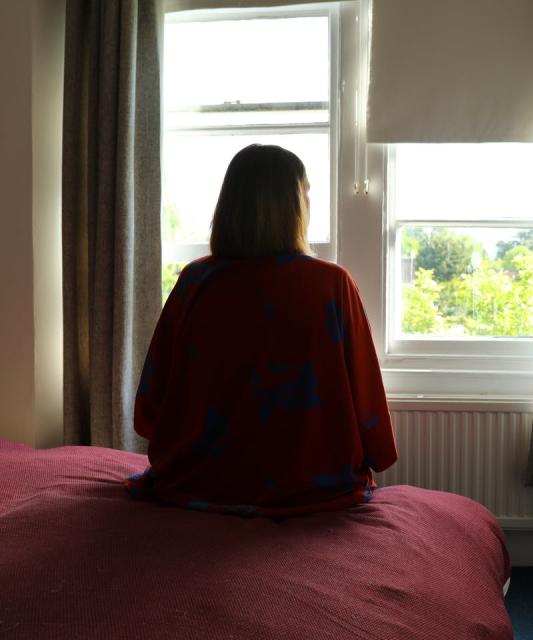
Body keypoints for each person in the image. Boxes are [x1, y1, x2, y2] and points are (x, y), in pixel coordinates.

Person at [125, 144, 398, 517]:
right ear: (293, 206)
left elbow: (153, 401)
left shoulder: (195, 281)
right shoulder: (330, 284)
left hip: (199, 480)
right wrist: (376, 452)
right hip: (311, 483)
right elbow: (364, 391)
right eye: (306, 192)